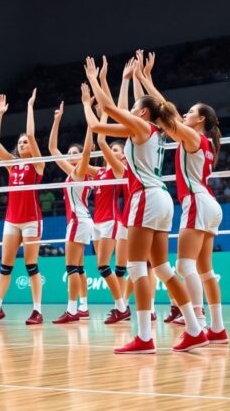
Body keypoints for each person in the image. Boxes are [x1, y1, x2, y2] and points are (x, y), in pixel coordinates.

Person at [83, 54, 207, 354]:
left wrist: (95, 79)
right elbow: (102, 125)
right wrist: (121, 82)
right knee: (162, 268)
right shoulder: (150, 130)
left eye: (136, 109)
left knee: (138, 268)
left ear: (143, 112)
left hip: (146, 197)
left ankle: (144, 337)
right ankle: (194, 327)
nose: (131, 110)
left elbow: (111, 109)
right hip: (162, 198)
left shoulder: (141, 129)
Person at [133, 54, 228, 343]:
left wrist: (144, 80)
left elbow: (164, 115)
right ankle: (218, 328)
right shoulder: (209, 141)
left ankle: (196, 323)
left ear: (200, 119)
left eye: (190, 112)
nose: (184, 114)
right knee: (206, 270)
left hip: (197, 201)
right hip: (211, 204)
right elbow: (169, 115)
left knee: (185, 267)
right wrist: (145, 80)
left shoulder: (193, 138)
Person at [0, 90, 45, 326]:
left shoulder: (38, 164)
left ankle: (37, 310)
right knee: (5, 266)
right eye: (19, 142)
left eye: (26, 142)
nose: (23, 143)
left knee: (31, 265)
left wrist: (29, 105)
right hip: (11, 220)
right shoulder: (12, 165)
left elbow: (30, 132)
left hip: (31, 220)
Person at [90, 58, 132, 324]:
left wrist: (95, 109)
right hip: (97, 223)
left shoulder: (119, 170)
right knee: (108, 267)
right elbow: (79, 161)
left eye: (118, 151)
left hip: (113, 221)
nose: (113, 153)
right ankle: (122, 305)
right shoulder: (100, 171)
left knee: (108, 266)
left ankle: (123, 306)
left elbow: (101, 139)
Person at [48, 95, 95, 324]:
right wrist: (57, 120)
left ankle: (72, 310)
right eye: (69, 155)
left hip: (78, 221)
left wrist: (90, 125)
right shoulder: (73, 173)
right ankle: (82, 307)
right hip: (82, 220)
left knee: (72, 267)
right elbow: (52, 148)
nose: (70, 156)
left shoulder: (80, 172)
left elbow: (87, 150)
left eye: (74, 154)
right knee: (78, 266)